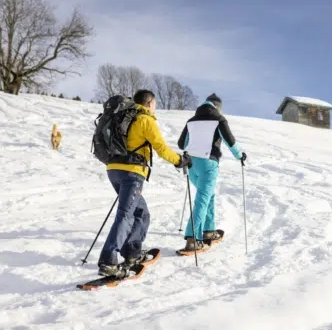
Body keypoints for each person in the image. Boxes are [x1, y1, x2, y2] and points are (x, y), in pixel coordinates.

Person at [98, 89, 191, 276]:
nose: (155, 108)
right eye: (155, 104)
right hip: (131, 173)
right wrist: (180, 161)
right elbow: (161, 148)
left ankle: (132, 252)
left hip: (113, 169)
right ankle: (108, 261)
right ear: (149, 103)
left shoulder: (123, 116)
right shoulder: (145, 119)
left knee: (141, 213)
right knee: (126, 215)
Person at [177, 93, 246, 252]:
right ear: (218, 107)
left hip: (192, 165)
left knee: (208, 196)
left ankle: (208, 231)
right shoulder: (219, 119)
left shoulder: (191, 121)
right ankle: (193, 238)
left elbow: (182, 144)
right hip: (209, 164)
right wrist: (239, 155)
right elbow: (230, 141)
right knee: (202, 199)